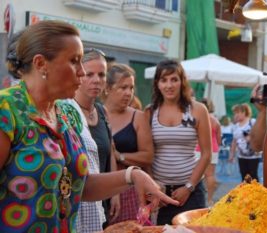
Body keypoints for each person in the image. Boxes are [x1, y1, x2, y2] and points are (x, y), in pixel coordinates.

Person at [0, 20, 178, 233]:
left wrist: (132, 175)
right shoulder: (7, 110)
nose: (82, 72)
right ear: (41, 64)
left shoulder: (66, 114)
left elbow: (79, 185)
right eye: (74, 61)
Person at [145, 59, 212, 225]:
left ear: (182, 82)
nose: (169, 85)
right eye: (164, 80)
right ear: (157, 84)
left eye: (174, 79)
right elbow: (146, 155)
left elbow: (206, 154)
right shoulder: (149, 112)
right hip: (160, 194)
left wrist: (188, 187)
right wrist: (153, 189)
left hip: (192, 191)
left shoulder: (197, 109)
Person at [65, 47, 119, 232]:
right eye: (89, 74)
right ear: (78, 74)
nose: (96, 80)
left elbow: (108, 151)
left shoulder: (102, 112)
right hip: (76, 201)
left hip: (100, 199)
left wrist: (115, 193)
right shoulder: (66, 110)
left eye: (102, 74)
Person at [104, 63, 154, 224]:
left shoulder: (138, 117)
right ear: (108, 88)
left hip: (130, 189)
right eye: (122, 87)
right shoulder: (95, 114)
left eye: (131, 88)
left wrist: (120, 156)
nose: (128, 93)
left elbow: (148, 156)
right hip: (101, 188)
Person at [195, 98, 221, 206]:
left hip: (198, 148)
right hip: (212, 149)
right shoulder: (215, 121)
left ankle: (196, 196)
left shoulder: (197, 118)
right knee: (210, 175)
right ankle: (210, 200)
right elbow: (219, 139)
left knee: (196, 174)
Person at [229, 103, 261, 182]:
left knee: (253, 176)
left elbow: (260, 134)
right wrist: (231, 154)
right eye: (235, 113)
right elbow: (234, 141)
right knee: (244, 176)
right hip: (241, 156)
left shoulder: (252, 122)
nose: (236, 115)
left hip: (253, 156)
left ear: (244, 112)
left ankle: (256, 193)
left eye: (238, 113)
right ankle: (246, 193)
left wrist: (251, 137)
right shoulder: (236, 126)